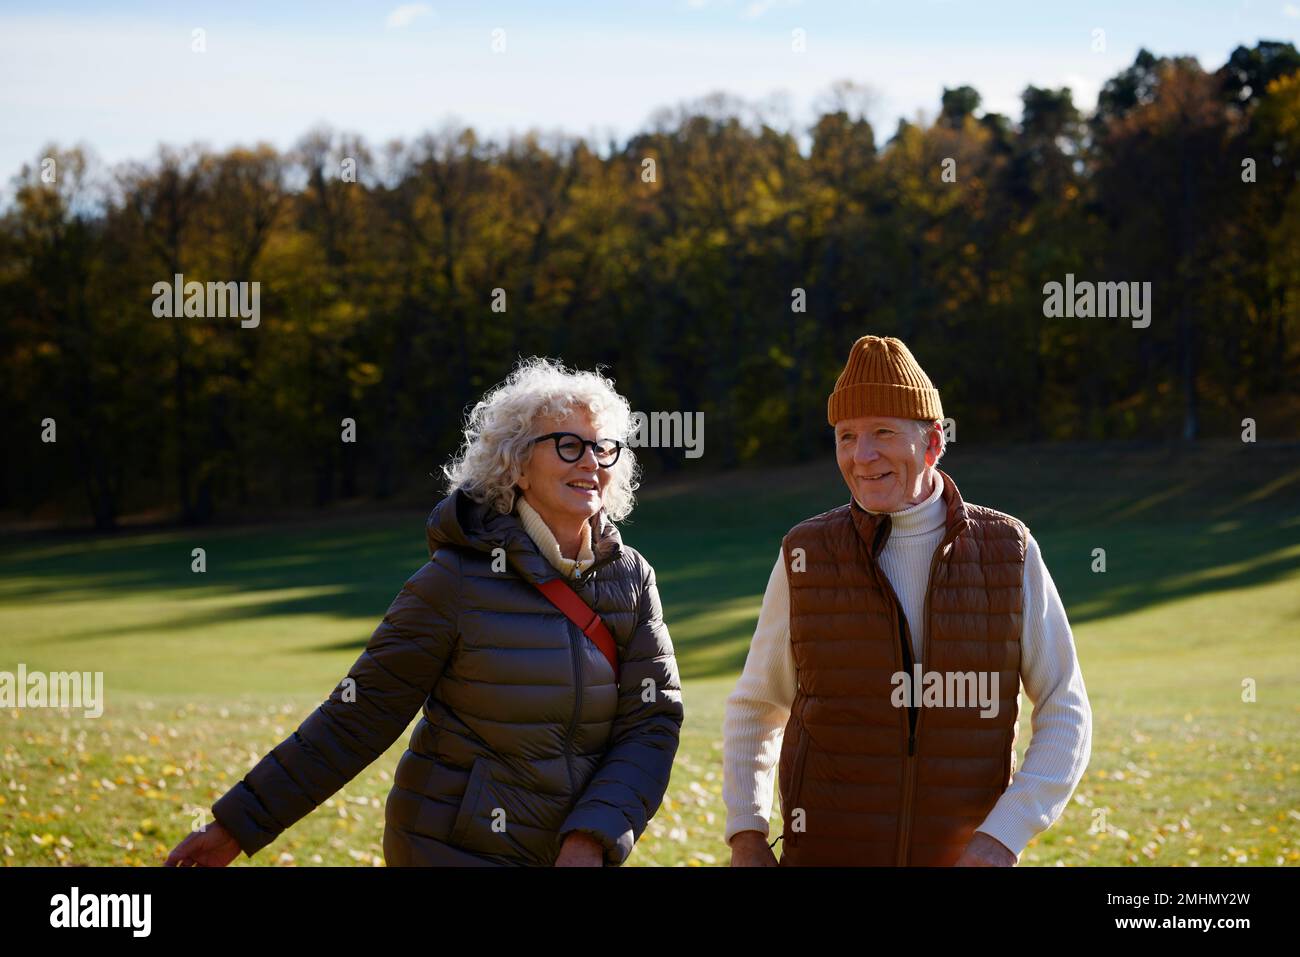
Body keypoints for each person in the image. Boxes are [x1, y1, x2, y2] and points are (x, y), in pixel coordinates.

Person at [165, 356, 683, 867]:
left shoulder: (631, 578)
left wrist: (591, 837)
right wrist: (237, 825)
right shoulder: (455, 582)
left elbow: (652, 723)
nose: (591, 462)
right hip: (448, 849)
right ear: (517, 465)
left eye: (604, 448)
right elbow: (358, 715)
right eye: (568, 446)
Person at [723, 335, 1092, 866]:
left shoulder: (1008, 549)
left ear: (933, 443)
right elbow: (758, 706)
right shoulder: (806, 553)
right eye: (846, 436)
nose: (862, 455)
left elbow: (1065, 706)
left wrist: (1003, 836)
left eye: (883, 433)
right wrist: (748, 833)